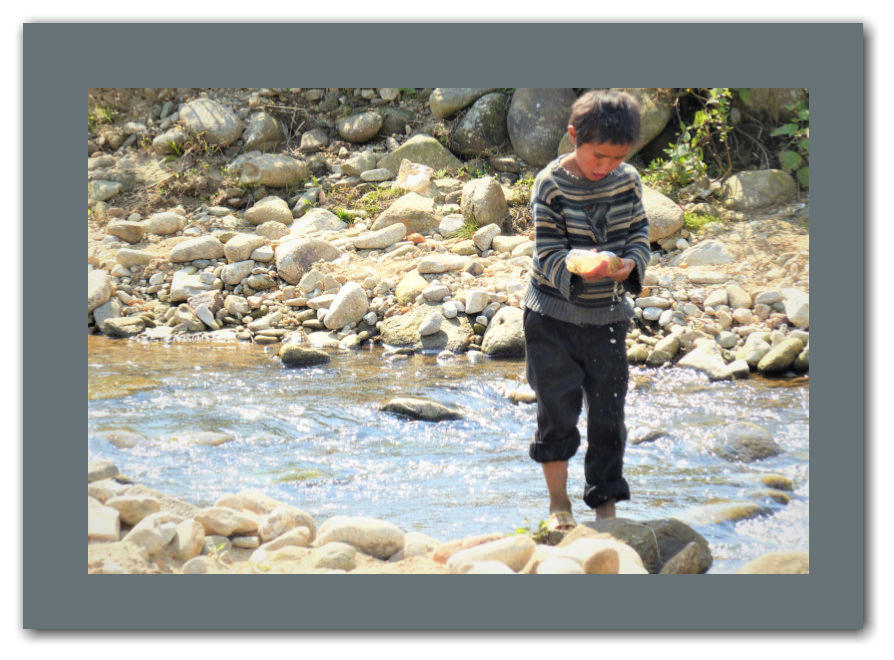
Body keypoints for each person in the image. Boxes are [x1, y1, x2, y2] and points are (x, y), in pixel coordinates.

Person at [522, 90, 651, 536]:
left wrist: (630, 263)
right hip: (551, 320)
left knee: (608, 418)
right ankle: (559, 504)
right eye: (599, 156)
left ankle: (605, 507)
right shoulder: (551, 184)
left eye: (618, 158)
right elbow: (547, 252)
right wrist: (581, 269)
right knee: (556, 412)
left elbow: (639, 233)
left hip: (608, 320)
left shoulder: (627, 180)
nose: (606, 167)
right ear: (574, 136)